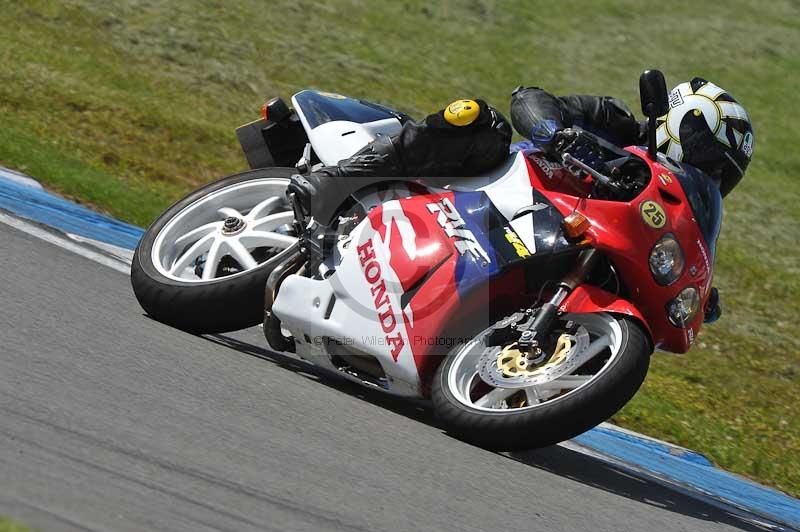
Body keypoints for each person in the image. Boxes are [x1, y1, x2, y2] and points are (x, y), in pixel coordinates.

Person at [289, 78, 754, 226]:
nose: (707, 172)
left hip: (540, 234)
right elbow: (529, 98)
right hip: (497, 184)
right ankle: (333, 183)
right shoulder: (617, 124)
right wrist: (556, 133)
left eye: (719, 172)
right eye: (704, 152)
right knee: (478, 119)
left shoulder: (665, 211)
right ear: (681, 122)